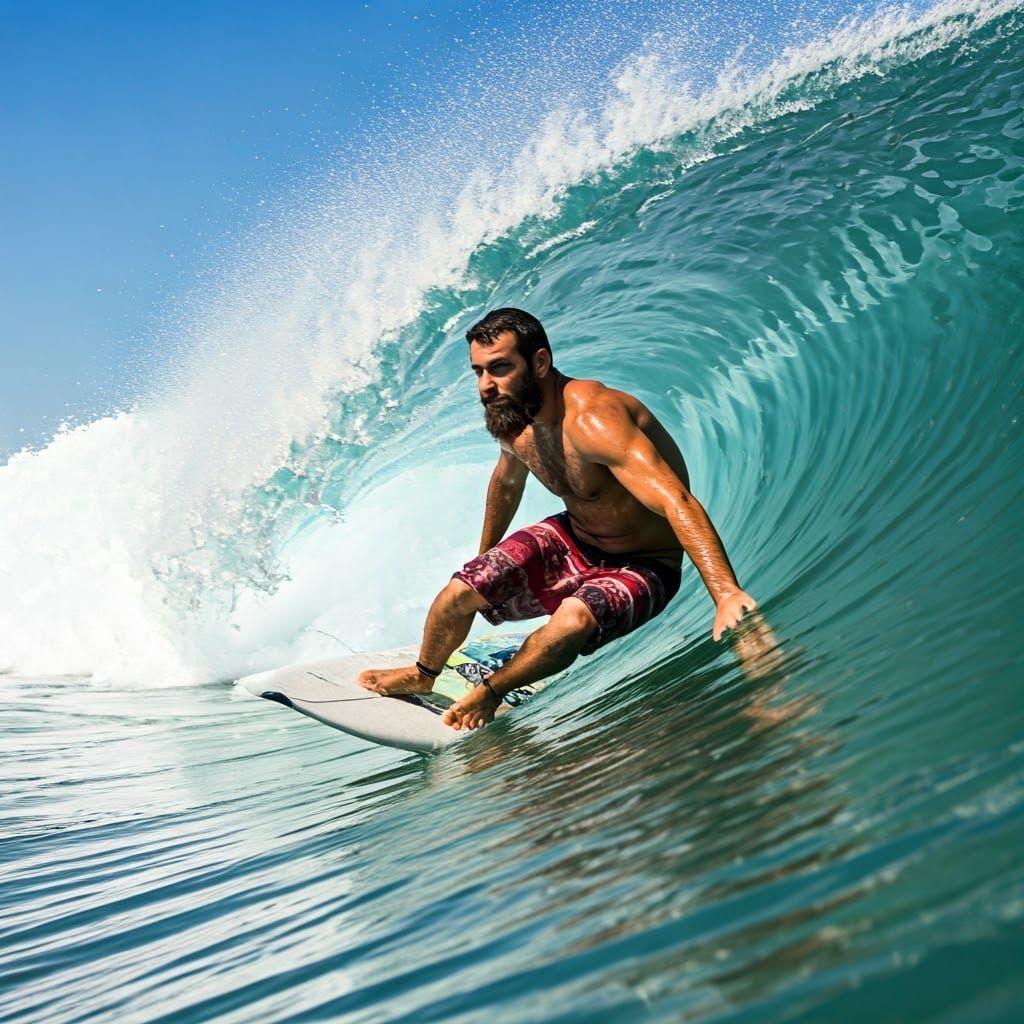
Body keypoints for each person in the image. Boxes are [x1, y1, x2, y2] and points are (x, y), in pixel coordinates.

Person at [358, 308, 757, 729]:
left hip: (645, 561)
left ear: (541, 363)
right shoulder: (512, 417)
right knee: (460, 592)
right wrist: (485, 564)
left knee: (572, 621)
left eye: (500, 369)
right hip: (576, 535)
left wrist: (725, 592)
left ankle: (490, 693)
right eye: (478, 371)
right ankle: (423, 675)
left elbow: (675, 499)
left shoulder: (593, 419)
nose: (486, 386)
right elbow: (507, 482)